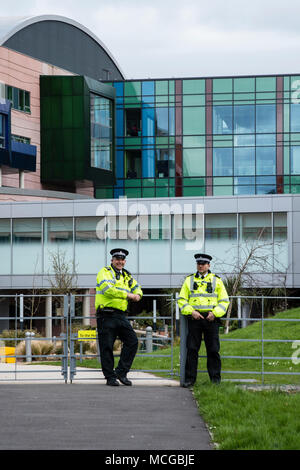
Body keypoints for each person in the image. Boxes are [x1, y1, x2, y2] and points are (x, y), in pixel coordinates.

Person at [177, 253, 229, 387]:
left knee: (213, 350)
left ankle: (215, 380)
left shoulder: (217, 280)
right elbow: (182, 300)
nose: (201, 266)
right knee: (192, 349)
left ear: (208, 265)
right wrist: (191, 312)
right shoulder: (189, 280)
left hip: (211, 319)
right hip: (195, 318)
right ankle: (190, 380)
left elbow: (224, 301)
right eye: (199, 263)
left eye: (204, 263)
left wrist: (215, 313)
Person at [95, 248, 143, 386]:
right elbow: (108, 290)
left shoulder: (126, 276)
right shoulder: (104, 272)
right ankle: (110, 377)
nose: (119, 262)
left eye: (122, 260)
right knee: (107, 347)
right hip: (106, 315)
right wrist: (128, 295)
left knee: (132, 341)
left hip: (121, 315)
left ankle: (121, 372)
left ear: (124, 261)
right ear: (112, 260)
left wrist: (138, 295)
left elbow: (138, 287)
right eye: (117, 259)